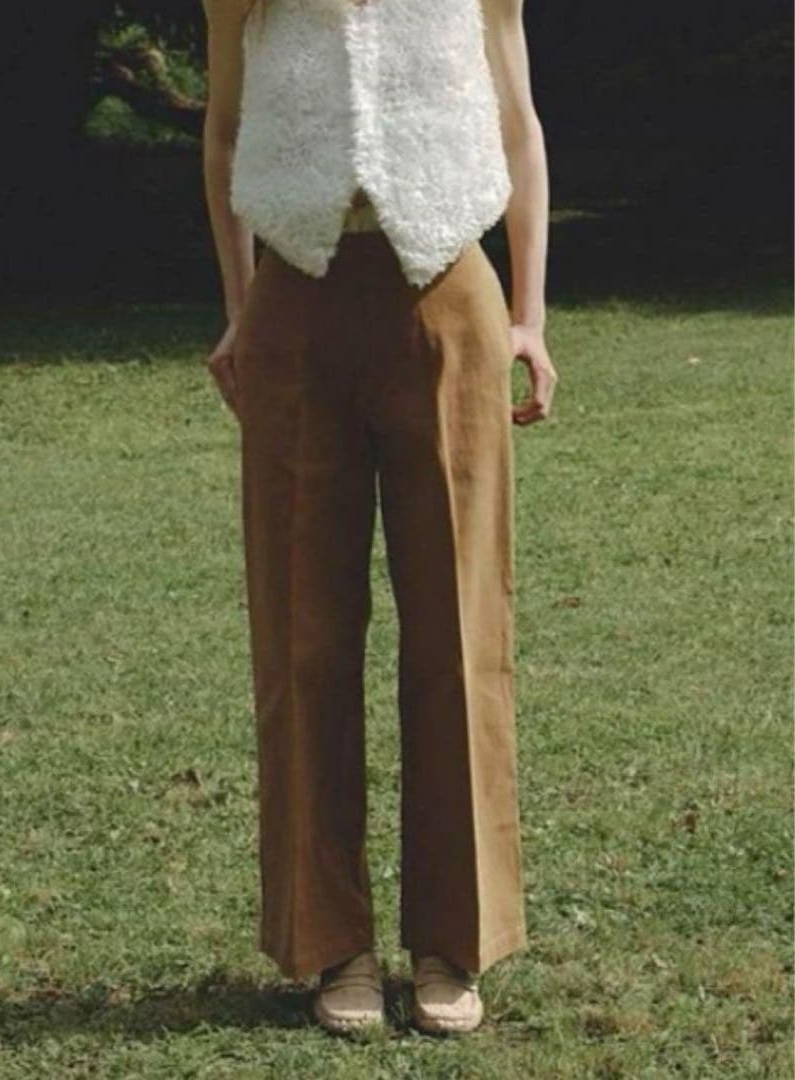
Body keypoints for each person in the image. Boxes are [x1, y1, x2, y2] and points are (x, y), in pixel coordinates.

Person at [201, 0, 557, 1036]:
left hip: (448, 296)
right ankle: (331, 943)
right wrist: (238, 306)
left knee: (459, 631)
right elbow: (223, 134)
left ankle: (454, 940)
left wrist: (528, 314)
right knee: (303, 634)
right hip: (296, 298)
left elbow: (517, 122)